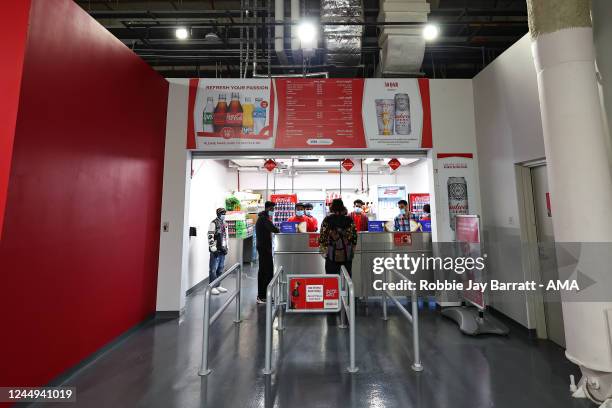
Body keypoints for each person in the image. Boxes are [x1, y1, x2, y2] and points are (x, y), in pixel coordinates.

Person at [318, 199, 358, 276]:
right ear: (343, 207)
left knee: (332, 279)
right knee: (347, 278)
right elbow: (354, 237)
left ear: (332, 207)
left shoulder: (327, 220)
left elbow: (322, 237)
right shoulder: (349, 220)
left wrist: (323, 251)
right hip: (346, 254)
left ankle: (332, 288)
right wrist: (352, 250)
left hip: (331, 255)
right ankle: (347, 288)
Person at [256, 201, 280, 304]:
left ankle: (265, 295)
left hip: (265, 248)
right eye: (271, 209)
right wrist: (283, 228)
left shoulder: (264, 218)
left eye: (273, 209)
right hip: (264, 248)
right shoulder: (263, 219)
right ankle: (262, 296)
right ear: (267, 209)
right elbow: (274, 229)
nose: (273, 211)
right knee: (265, 272)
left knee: (266, 271)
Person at [207, 208, 229, 295]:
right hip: (215, 250)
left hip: (222, 250)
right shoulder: (213, 223)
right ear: (218, 214)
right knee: (213, 269)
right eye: (222, 213)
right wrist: (213, 248)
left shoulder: (224, 223)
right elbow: (210, 236)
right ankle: (212, 287)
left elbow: (226, 236)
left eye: (224, 213)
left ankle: (218, 285)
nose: (224, 214)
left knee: (220, 268)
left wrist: (227, 247)